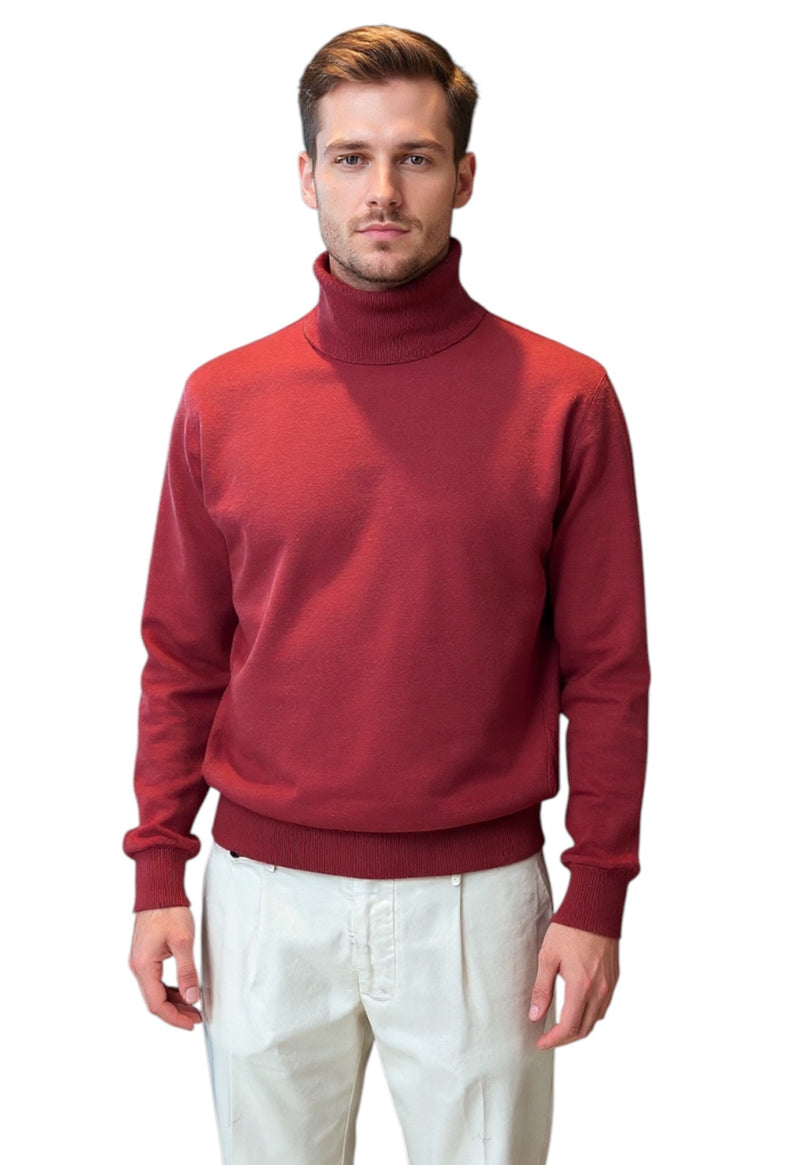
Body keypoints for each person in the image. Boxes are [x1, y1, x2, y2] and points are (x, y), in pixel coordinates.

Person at [125, 24, 649, 1165]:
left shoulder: (564, 399)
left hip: (481, 906)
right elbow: (183, 653)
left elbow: (607, 669)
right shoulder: (223, 399)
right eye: (351, 158)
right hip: (261, 900)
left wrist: (596, 890)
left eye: (414, 157)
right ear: (305, 175)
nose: (382, 191)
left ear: (464, 175)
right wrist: (158, 865)